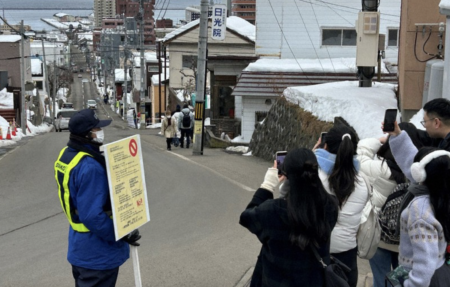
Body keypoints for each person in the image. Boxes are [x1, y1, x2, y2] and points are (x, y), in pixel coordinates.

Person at [54, 109, 141, 286]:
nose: (100, 132)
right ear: (87, 134)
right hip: (98, 255)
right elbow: (92, 216)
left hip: (80, 248)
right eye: (96, 129)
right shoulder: (90, 167)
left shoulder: (68, 155)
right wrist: (120, 233)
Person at [240, 148, 338, 287]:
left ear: (286, 175)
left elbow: (246, 217)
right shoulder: (330, 206)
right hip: (313, 281)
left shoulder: (272, 211)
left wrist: (267, 185)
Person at [356, 123, 427, 287]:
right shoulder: (420, 174)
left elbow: (359, 155)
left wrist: (380, 140)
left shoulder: (377, 169)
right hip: (406, 240)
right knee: (402, 281)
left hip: (380, 236)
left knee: (380, 278)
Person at [314, 124, 369, 287]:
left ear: (325, 146)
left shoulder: (314, 177)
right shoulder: (363, 182)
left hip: (318, 253)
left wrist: (311, 155)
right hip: (348, 256)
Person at [394, 147, 450, 286]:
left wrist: (410, 284)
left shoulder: (420, 210)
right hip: (440, 268)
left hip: (422, 278)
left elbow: (425, 264)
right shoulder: (443, 197)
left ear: (419, 174)